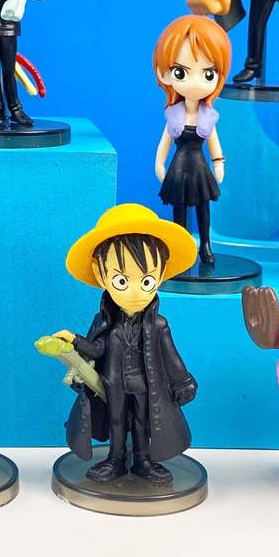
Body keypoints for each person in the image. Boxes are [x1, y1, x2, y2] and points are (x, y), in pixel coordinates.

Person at [37, 204, 198, 485]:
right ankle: (116, 459)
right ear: (101, 276)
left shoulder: (158, 325)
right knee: (116, 422)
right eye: (122, 280)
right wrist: (74, 340)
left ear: (161, 274)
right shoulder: (104, 323)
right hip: (113, 385)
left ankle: (143, 460)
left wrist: (183, 382)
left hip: (145, 387)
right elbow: (97, 350)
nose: (136, 292)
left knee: (143, 423)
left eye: (146, 281)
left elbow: (171, 357)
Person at [153, 14, 232, 266]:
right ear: (164, 74)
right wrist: (159, 164)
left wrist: (219, 163)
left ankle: (205, 245)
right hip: (178, 168)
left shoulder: (208, 116)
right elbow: (165, 142)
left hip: (199, 168)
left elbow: (214, 144)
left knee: (202, 206)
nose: (196, 83)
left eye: (208, 74)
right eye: (181, 72)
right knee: (178, 208)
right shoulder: (173, 114)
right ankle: (180, 247)